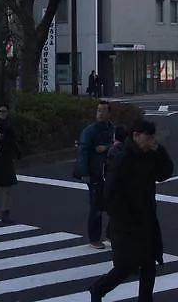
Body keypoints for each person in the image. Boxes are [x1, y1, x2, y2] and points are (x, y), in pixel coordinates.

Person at [90, 119, 173, 302]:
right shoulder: (123, 157)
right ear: (135, 135)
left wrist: (159, 150)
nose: (151, 141)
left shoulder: (150, 154)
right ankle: (97, 289)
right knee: (125, 267)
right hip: (126, 224)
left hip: (147, 218)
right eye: (148, 137)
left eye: (153, 137)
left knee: (148, 265)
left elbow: (165, 173)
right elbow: (110, 193)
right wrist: (125, 219)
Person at [75, 100, 115, 248]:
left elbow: (118, 143)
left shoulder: (111, 128)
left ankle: (111, 234)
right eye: (98, 110)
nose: (100, 113)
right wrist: (84, 172)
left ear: (109, 113)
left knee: (113, 203)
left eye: (103, 111)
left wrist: (106, 147)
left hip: (108, 171)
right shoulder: (90, 130)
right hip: (94, 172)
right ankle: (94, 238)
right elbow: (82, 151)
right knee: (96, 205)